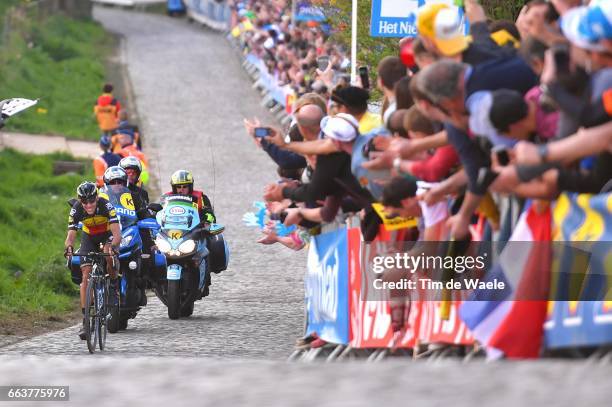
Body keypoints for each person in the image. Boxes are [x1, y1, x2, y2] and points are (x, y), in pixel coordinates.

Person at [64, 181, 121, 340]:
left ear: (97, 197)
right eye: (84, 201)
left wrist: (114, 246)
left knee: (107, 253)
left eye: (91, 200)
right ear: (80, 201)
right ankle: (85, 321)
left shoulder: (106, 205)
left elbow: (117, 233)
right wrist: (69, 247)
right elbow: (71, 234)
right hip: (89, 237)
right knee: (85, 277)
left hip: (107, 235)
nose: (88, 204)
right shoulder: (76, 208)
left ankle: (114, 285)